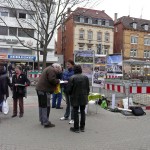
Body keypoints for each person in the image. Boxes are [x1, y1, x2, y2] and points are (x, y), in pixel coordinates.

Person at [36, 63, 62, 128]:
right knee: (46, 106)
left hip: (39, 89)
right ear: (56, 68)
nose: (57, 72)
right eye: (58, 71)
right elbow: (52, 80)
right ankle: (46, 122)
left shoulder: (48, 68)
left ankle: (42, 120)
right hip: (44, 90)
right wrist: (58, 81)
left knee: (41, 105)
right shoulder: (51, 70)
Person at [67, 65, 90, 133]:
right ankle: (82, 127)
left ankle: (76, 128)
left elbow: (69, 89)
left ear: (74, 70)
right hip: (84, 96)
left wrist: (69, 94)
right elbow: (87, 88)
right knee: (82, 111)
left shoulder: (72, 78)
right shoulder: (85, 77)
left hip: (75, 97)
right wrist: (86, 94)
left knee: (75, 111)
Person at [60, 59, 75, 124]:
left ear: (72, 65)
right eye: (67, 64)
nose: (67, 65)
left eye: (69, 64)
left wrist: (68, 82)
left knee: (72, 104)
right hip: (65, 89)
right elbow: (63, 78)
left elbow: (74, 81)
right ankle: (66, 116)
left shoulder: (74, 72)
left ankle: (73, 118)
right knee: (68, 103)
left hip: (71, 90)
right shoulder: (65, 71)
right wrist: (62, 82)